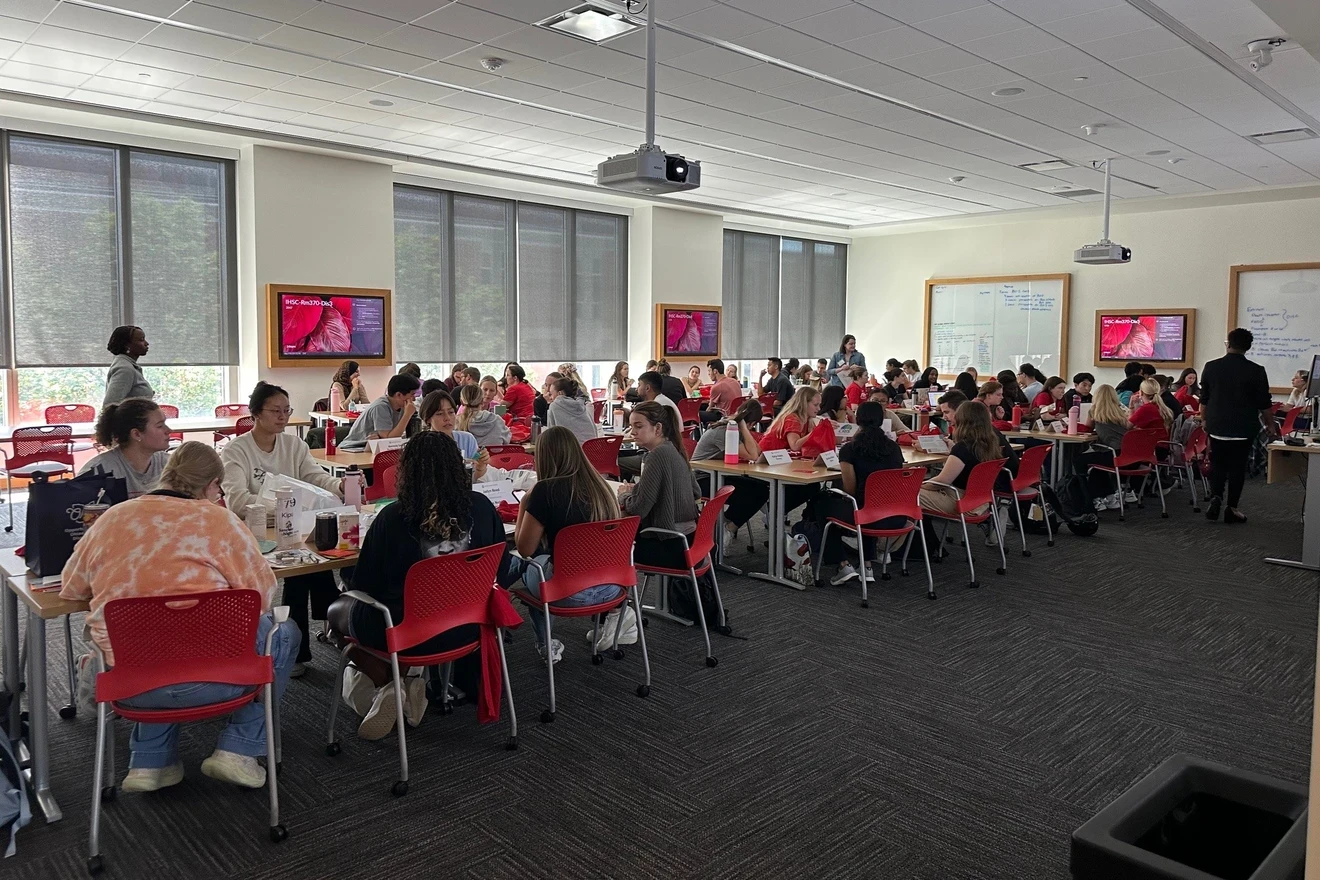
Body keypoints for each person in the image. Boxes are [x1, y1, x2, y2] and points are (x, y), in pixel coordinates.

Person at [63, 441, 296, 791]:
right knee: (283, 632)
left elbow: (73, 587)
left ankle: (150, 761)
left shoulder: (113, 518)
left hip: (127, 684)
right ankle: (239, 749)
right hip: (216, 678)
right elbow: (262, 597)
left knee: (155, 644)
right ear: (211, 485)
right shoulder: (219, 521)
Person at [327, 432, 513, 739]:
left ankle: (388, 683)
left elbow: (365, 583)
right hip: (468, 628)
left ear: (407, 472)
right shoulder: (482, 508)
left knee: (335, 613)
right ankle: (405, 682)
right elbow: (500, 568)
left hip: (406, 633)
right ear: (458, 466)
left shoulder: (393, 518)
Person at [222, 381, 344, 676]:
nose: (283, 416)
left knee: (316, 557)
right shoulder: (236, 451)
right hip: (257, 534)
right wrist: (287, 506)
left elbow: (314, 476)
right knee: (306, 568)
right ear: (256, 414)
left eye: (287, 410)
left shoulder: (294, 445)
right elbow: (237, 501)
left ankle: (303, 646)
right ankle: (326, 631)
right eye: (275, 411)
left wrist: (339, 485)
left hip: (295, 528)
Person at [515, 427, 628, 663]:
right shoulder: (603, 488)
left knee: (527, 565)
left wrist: (524, 504)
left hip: (568, 593)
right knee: (541, 562)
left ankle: (544, 644)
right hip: (611, 588)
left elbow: (524, 549)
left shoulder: (544, 491)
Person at [617, 402, 702, 642]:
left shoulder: (656, 457)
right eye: (631, 426)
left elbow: (638, 508)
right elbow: (695, 491)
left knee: (612, 551)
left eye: (638, 426)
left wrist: (625, 493)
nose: (632, 431)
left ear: (657, 428)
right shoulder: (674, 449)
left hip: (669, 545)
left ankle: (618, 619)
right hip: (690, 543)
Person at [817, 401, 906, 585]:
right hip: (894, 514)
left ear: (858, 420)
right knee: (868, 503)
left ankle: (843, 565)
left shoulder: (850, 449)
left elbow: (849, 490)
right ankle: (866, 566)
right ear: (882, 420)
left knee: (822, 504)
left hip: (866, 514)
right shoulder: (894, 449)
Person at [1201, 328, 1277, 523]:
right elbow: (1264, 403)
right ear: (1249, 347)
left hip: (1217, 424)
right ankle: (1232, 508)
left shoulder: (1211, 367)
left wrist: (1204, 421)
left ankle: (1216, 496)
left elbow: (1204, 400)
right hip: (1244, 427)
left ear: (1228, 344)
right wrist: (1270, 425)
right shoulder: (1256, 370)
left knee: (1218, 463)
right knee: (1237, 467)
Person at [919, 401, 1015, 552]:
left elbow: (942, 481)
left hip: (960, 500)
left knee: (905, 495)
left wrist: (919, 485)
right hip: (980, 501)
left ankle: (895, 548)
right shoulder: (990, 444)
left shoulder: (963, 448)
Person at [691, 400, 767, 551]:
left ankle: (724, 526)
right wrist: (744, 428)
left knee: (761, 489)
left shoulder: (732, 426)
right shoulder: (725, 430)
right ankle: (726, 529)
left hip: (717, 475)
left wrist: (744, 428)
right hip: (701, 480)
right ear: (751, 423)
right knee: (754, 494)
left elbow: (757, 451)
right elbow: (753, 455)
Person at [80, 398, 171, 497]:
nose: (169, 430)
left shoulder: (171, 465)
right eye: (160, 426)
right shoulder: (97, 472)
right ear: (136, 434)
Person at [1075, 384, 1133, 510]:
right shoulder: (1122, 411)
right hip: (1126, 455)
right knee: (1098, 467)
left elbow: (1088, 428)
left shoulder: (1094, 411)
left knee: (1080, 460)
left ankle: (1087, 494)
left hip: (1111, 454)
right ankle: (1108, 496)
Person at [339, 373, 420, 452]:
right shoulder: (380, 407)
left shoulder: (402, 406)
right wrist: (407, 415)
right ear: (398, 395)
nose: (414, 399)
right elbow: (389, 440)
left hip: (373, 448)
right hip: (354, 448)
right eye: (412, 394)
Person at [419, 389, 480, 459]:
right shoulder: (422, 445)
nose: (447, 418)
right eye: (440, 414)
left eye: (451, 412)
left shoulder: (467, 439)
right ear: (428, 418)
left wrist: (480, 468)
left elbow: (474, 466)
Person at [761, 386, 822, 454]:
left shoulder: (807, 419)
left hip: (778, 457)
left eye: (819, 405)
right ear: (804, 403)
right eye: (816, 405)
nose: (819, 408)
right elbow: (795, 446)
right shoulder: (792, 419)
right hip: (766, 457)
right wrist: (817, 431)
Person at [103, 325, 154, 407]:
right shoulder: (125, 369)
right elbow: (110, 405)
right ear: (127, 345)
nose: (146, 343)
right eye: (141, 340)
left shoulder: (128, 364)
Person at [457, 383, 512, 448]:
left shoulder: (455, 423)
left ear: (461, 401)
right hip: (494, 457)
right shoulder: (497, 420)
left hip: (466, 458)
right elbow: (507, 439)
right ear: (482, 401)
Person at [546, 377, 598, 444]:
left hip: (572, 451)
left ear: (560, 393)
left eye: (551, 394)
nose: (550, 397)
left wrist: (548, 404)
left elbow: (550, 433)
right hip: (591, 449)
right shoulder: (581, 405)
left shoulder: (555, 405)